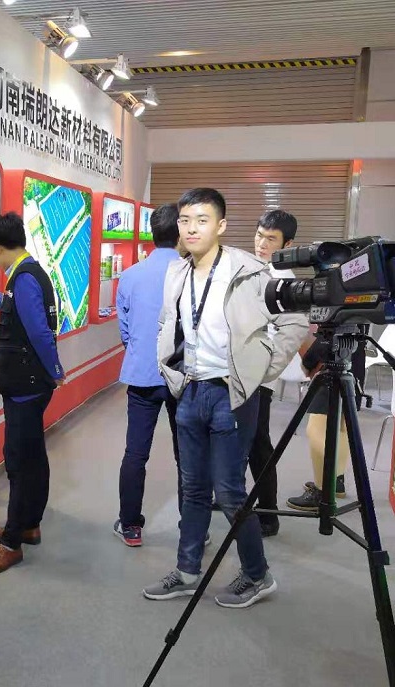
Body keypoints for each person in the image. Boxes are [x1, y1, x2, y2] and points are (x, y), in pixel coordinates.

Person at [143, 188, 306, 608]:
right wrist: (168, 364)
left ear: (221, 225)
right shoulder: (177, 272)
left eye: (201, 220)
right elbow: (167, 322)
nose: (191, 228)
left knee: (230, 491)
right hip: (190, 390)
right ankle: (187, 571)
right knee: (193, 487)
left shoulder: (250, 271)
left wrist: (262, 370)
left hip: (231, 393)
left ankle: (257, 574)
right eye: (185, 220)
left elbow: (295, 319)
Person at [0, 212, 64, 575]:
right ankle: (28, 524)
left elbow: (38, 331)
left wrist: (55, 369)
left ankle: (11, 543)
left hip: (26, 386)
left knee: (19, 461)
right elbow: (14, 307)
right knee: (32, 455)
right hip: (29, 385)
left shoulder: (24, 277)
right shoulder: (28, 273)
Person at [112, 203, 181, 548]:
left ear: (151, 234)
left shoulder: (130, 275)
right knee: (188, 455)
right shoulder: (192, 274)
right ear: (181, 232)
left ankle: (130, 526)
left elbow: (125, 330)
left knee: (135, 453)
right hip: (183, 377)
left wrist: (142, 352)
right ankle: (193, 526)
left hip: (142, 375)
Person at [248, 209, 298, 537]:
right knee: (239, 440)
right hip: (238, 370)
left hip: (260, 375)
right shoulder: (250, 268)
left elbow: (291, 334)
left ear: (287, 244)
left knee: (258, 443)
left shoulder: (285, 280)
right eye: (259, 235)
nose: (262, 244)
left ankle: (268, 513)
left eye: (271, 239)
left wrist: (267, 371)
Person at [285, 326, 366, 510]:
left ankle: (322, 490)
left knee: (316, 430)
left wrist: (309, 360)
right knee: (341, 424)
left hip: (331, 361)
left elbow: (330, 331)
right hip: (352, 358)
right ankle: (335, 480)